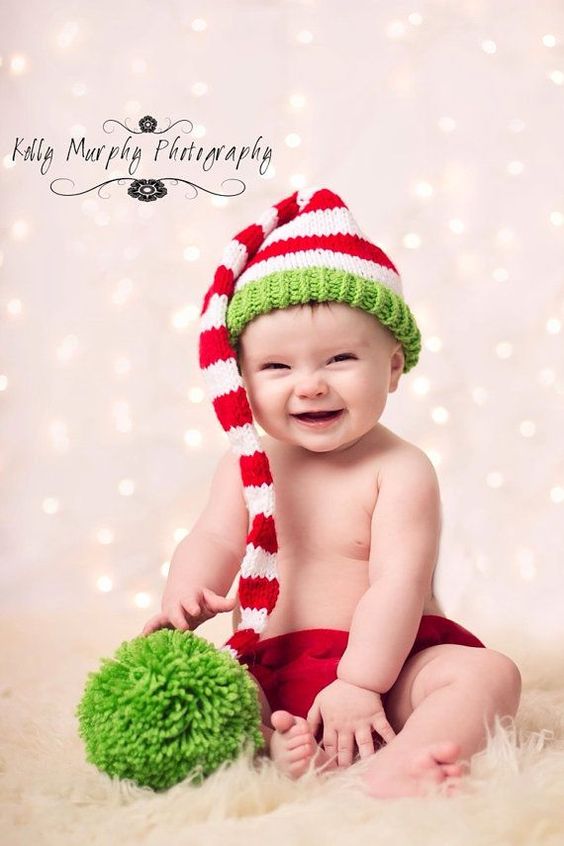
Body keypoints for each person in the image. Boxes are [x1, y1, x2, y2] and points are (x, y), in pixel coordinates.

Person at [142, 187, 521, 798]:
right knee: (209, 695)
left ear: (393, 367)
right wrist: (185, 591)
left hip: (390, 661)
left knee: (488, 674)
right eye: (277, 367)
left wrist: (362, 682)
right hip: (272, 662)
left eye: (339, 358)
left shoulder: (400, 469)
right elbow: (214, 536)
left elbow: (397, 583)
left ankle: (412, 759)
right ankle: (282, 740)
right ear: (240, 379)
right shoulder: (249, 460)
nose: (310, 386)